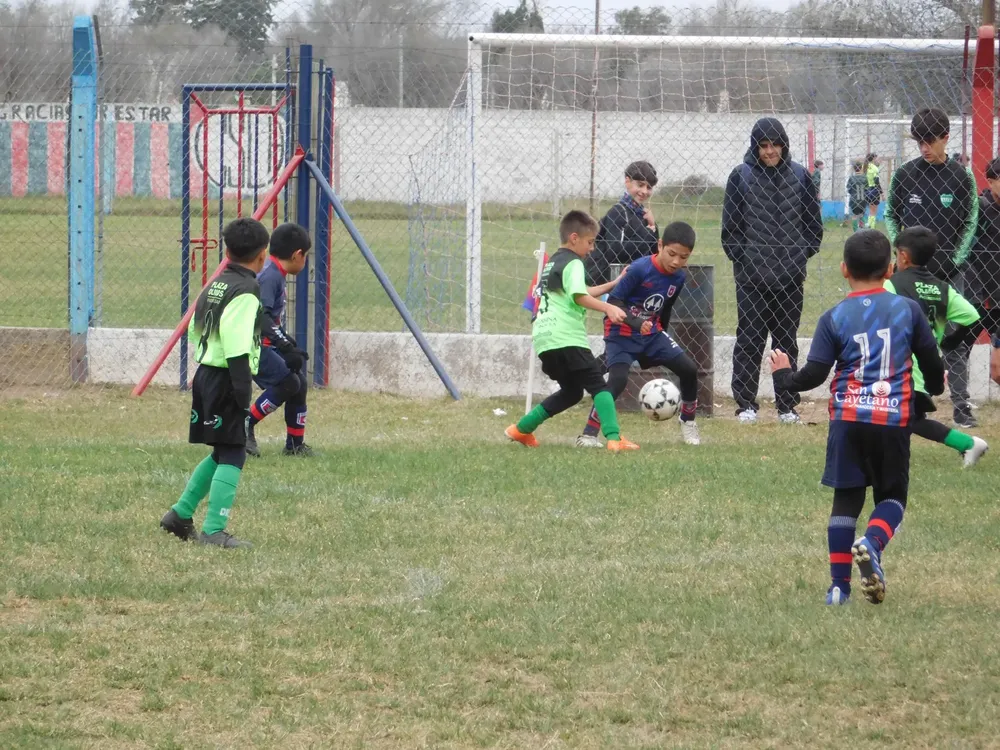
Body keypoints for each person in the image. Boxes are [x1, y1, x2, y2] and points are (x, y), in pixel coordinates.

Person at [769, 230, 945, 606]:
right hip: (891, 420)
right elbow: (931, 360)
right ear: (890, 269)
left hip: (847, 419)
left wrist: (783, 375)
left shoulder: (834, 317)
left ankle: (838, 588)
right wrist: (933, 387)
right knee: (893, 498)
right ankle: (873, 542)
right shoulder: (907, 311)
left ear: (843, 269)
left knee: (845, 501)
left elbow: (813, 375)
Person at [159, 218, 271, 549]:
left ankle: (179, 516)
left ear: (226, 250)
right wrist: (242, 390)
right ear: (262, 255)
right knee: (235, 452)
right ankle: (214, 530)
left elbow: (197, 328)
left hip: (206, 372)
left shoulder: (216, 283)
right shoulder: (247, 291)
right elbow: (237, 343)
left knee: (222, 451)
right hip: (227, 376)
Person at [506, 210, 639, 452]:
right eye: (590, 243)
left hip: (545, 340)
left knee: (572, 391)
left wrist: (614, 283)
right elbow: (579, 297)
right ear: (574, 238)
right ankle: (614, 438)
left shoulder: (554, 263)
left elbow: (581, 291)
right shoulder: (575, 262)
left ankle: (521, 429)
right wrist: (608, 308)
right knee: (599, 386)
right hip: (566, 338)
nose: (591, 249)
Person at [721, 116, 824, 424]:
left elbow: (813, 227)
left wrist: (799, 257)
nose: (769, 151)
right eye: (763, 145)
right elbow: (730, 231)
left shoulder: (801, 177)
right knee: (749, 341)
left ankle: (787, 406)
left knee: (786, 342)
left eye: (775, 145)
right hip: (751, 280)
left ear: (784, 145)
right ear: (755, 146)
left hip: (790, 279)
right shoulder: (740, 177)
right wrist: (745, 260)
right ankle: (746, 405)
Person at [884, 107, 979, 427]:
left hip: (949, 275)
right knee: (904, 338)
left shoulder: (961, 176)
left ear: (945, 139)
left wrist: (955, 261)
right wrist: (903, 256)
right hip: (908, 278)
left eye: (929, 141)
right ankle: (907, 400)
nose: (924, 148)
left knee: (954, 339)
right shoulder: (905, 174)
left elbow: (970, 221)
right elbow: (890, 215)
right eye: (919, 142)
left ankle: (962, 406)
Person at [575, 222, 702, 448]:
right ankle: (588, 434)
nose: (676, 261)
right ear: (660, 245)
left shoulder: (678, 277)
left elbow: (667, 306)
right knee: (618, 379)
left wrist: (661, 329)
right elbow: (614, 301)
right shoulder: (639, 269)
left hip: (651, 334)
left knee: (689, 370)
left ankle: (688, 421)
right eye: (672, 254)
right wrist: (636, 323)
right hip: (621, 332)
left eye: (683, 257)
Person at [885, 227, 988, 468]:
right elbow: (973, 315)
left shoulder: (892, 286)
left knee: (900, 418)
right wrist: (952, 339)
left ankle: (969, 443)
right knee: (905, 418)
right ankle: (967, 444)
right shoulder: (943, 288)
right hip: (926, 366)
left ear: (902, 256)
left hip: (900, 369)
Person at [245, 223, 313, 458]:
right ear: (297, 255)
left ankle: (295, 445)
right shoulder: (271, 276)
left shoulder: (275, 272)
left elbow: (271, 320)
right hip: (248, 346)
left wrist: (289, 345)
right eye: (306, 256)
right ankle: (244, 424)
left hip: (261, 342)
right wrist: (283, 345)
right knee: (289, 382)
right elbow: (260, 315)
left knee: (299, 383)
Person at [585, 160, 659, 285]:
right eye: (640, 185)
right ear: (627, 181)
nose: (644, 191)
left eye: (649, 187)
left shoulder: (644, 216)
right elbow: (615, 252)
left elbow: (654, 253)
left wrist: (653, 226)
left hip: (635, 279)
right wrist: (647, 232)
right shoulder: (618, 212)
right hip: (607, 280)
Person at [846, 160, 867, 233]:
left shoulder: (851, 178)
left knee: (855, 215)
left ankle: (855, 232)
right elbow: (867, 189)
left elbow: (848, 189)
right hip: (863, 199)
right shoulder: (865, 177)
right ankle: (862, 230)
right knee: (861, 215)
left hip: (854, 200)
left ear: (854, 168)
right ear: (861, 168)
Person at [864, 153, 882, 229]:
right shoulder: (875, 168)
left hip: (867, 190)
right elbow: (876, 181)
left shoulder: (864, 167)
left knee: (871, 209)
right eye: (877, 158)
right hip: (874, 190)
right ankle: (872, 226)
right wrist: (882, 193)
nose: (878, 160)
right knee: (874, 210)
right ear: (874, 158)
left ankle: (869, 224)